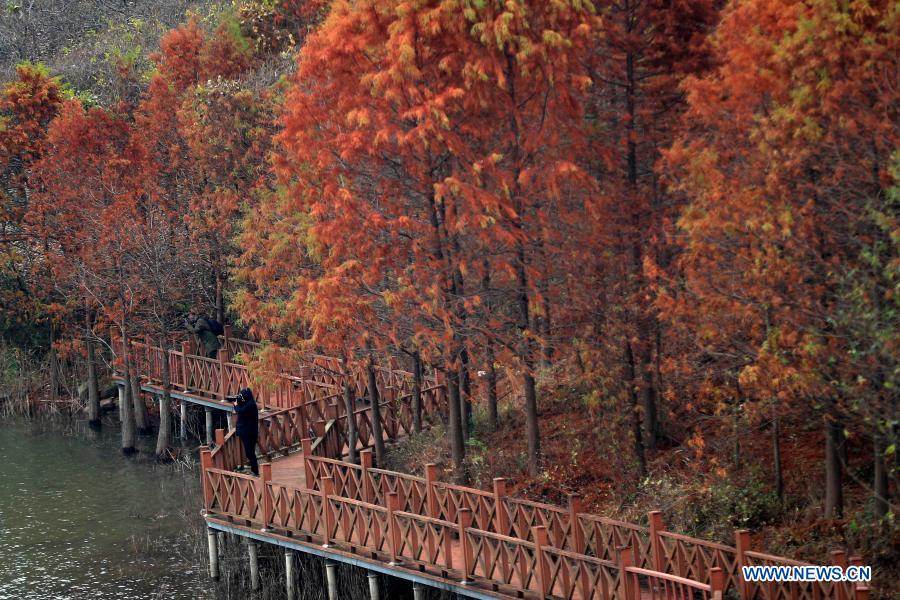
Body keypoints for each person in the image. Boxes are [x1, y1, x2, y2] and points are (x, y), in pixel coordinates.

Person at [232, 388, 259, 476]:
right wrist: (238, 400)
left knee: (250, 451)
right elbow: (241, 408)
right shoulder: (248, 403)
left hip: (250, 432)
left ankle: (255, 471)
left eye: (242, 395)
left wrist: (236, 404)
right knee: (249, 452)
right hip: (247, 431)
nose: (241, 397)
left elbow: (240, 411)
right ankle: (254, 470)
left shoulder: (251, 405)